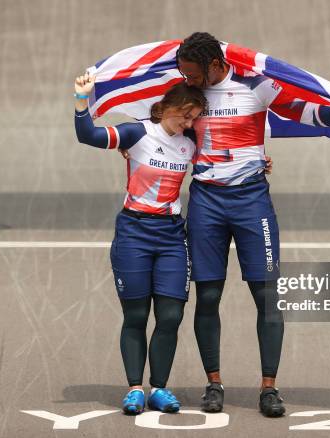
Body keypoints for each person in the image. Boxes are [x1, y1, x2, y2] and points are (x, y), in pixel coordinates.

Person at [176, 32, 330, 417]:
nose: (188, 80)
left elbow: (300, 110)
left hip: (251, 202)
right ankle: (214, 384)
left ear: (214, 65)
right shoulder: (185, 93)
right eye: (184, 73)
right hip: (206, 203)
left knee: (267, 297)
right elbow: (162, 127)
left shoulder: (255, 86)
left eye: (194, 73)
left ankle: (269, 389)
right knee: (208, 297)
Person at [74, 71, 206, 415]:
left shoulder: (189, 143)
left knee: (171, 315)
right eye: (185, 115)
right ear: (164, 108)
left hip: (172, 237)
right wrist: (81, 99)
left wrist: (259, 164)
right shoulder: (136, 133)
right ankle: (135, 388)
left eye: (194, 118)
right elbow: (87, 135)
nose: (188, 122)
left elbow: (222, 163)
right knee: (135, 315)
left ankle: (159, 388)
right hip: (134, 233)